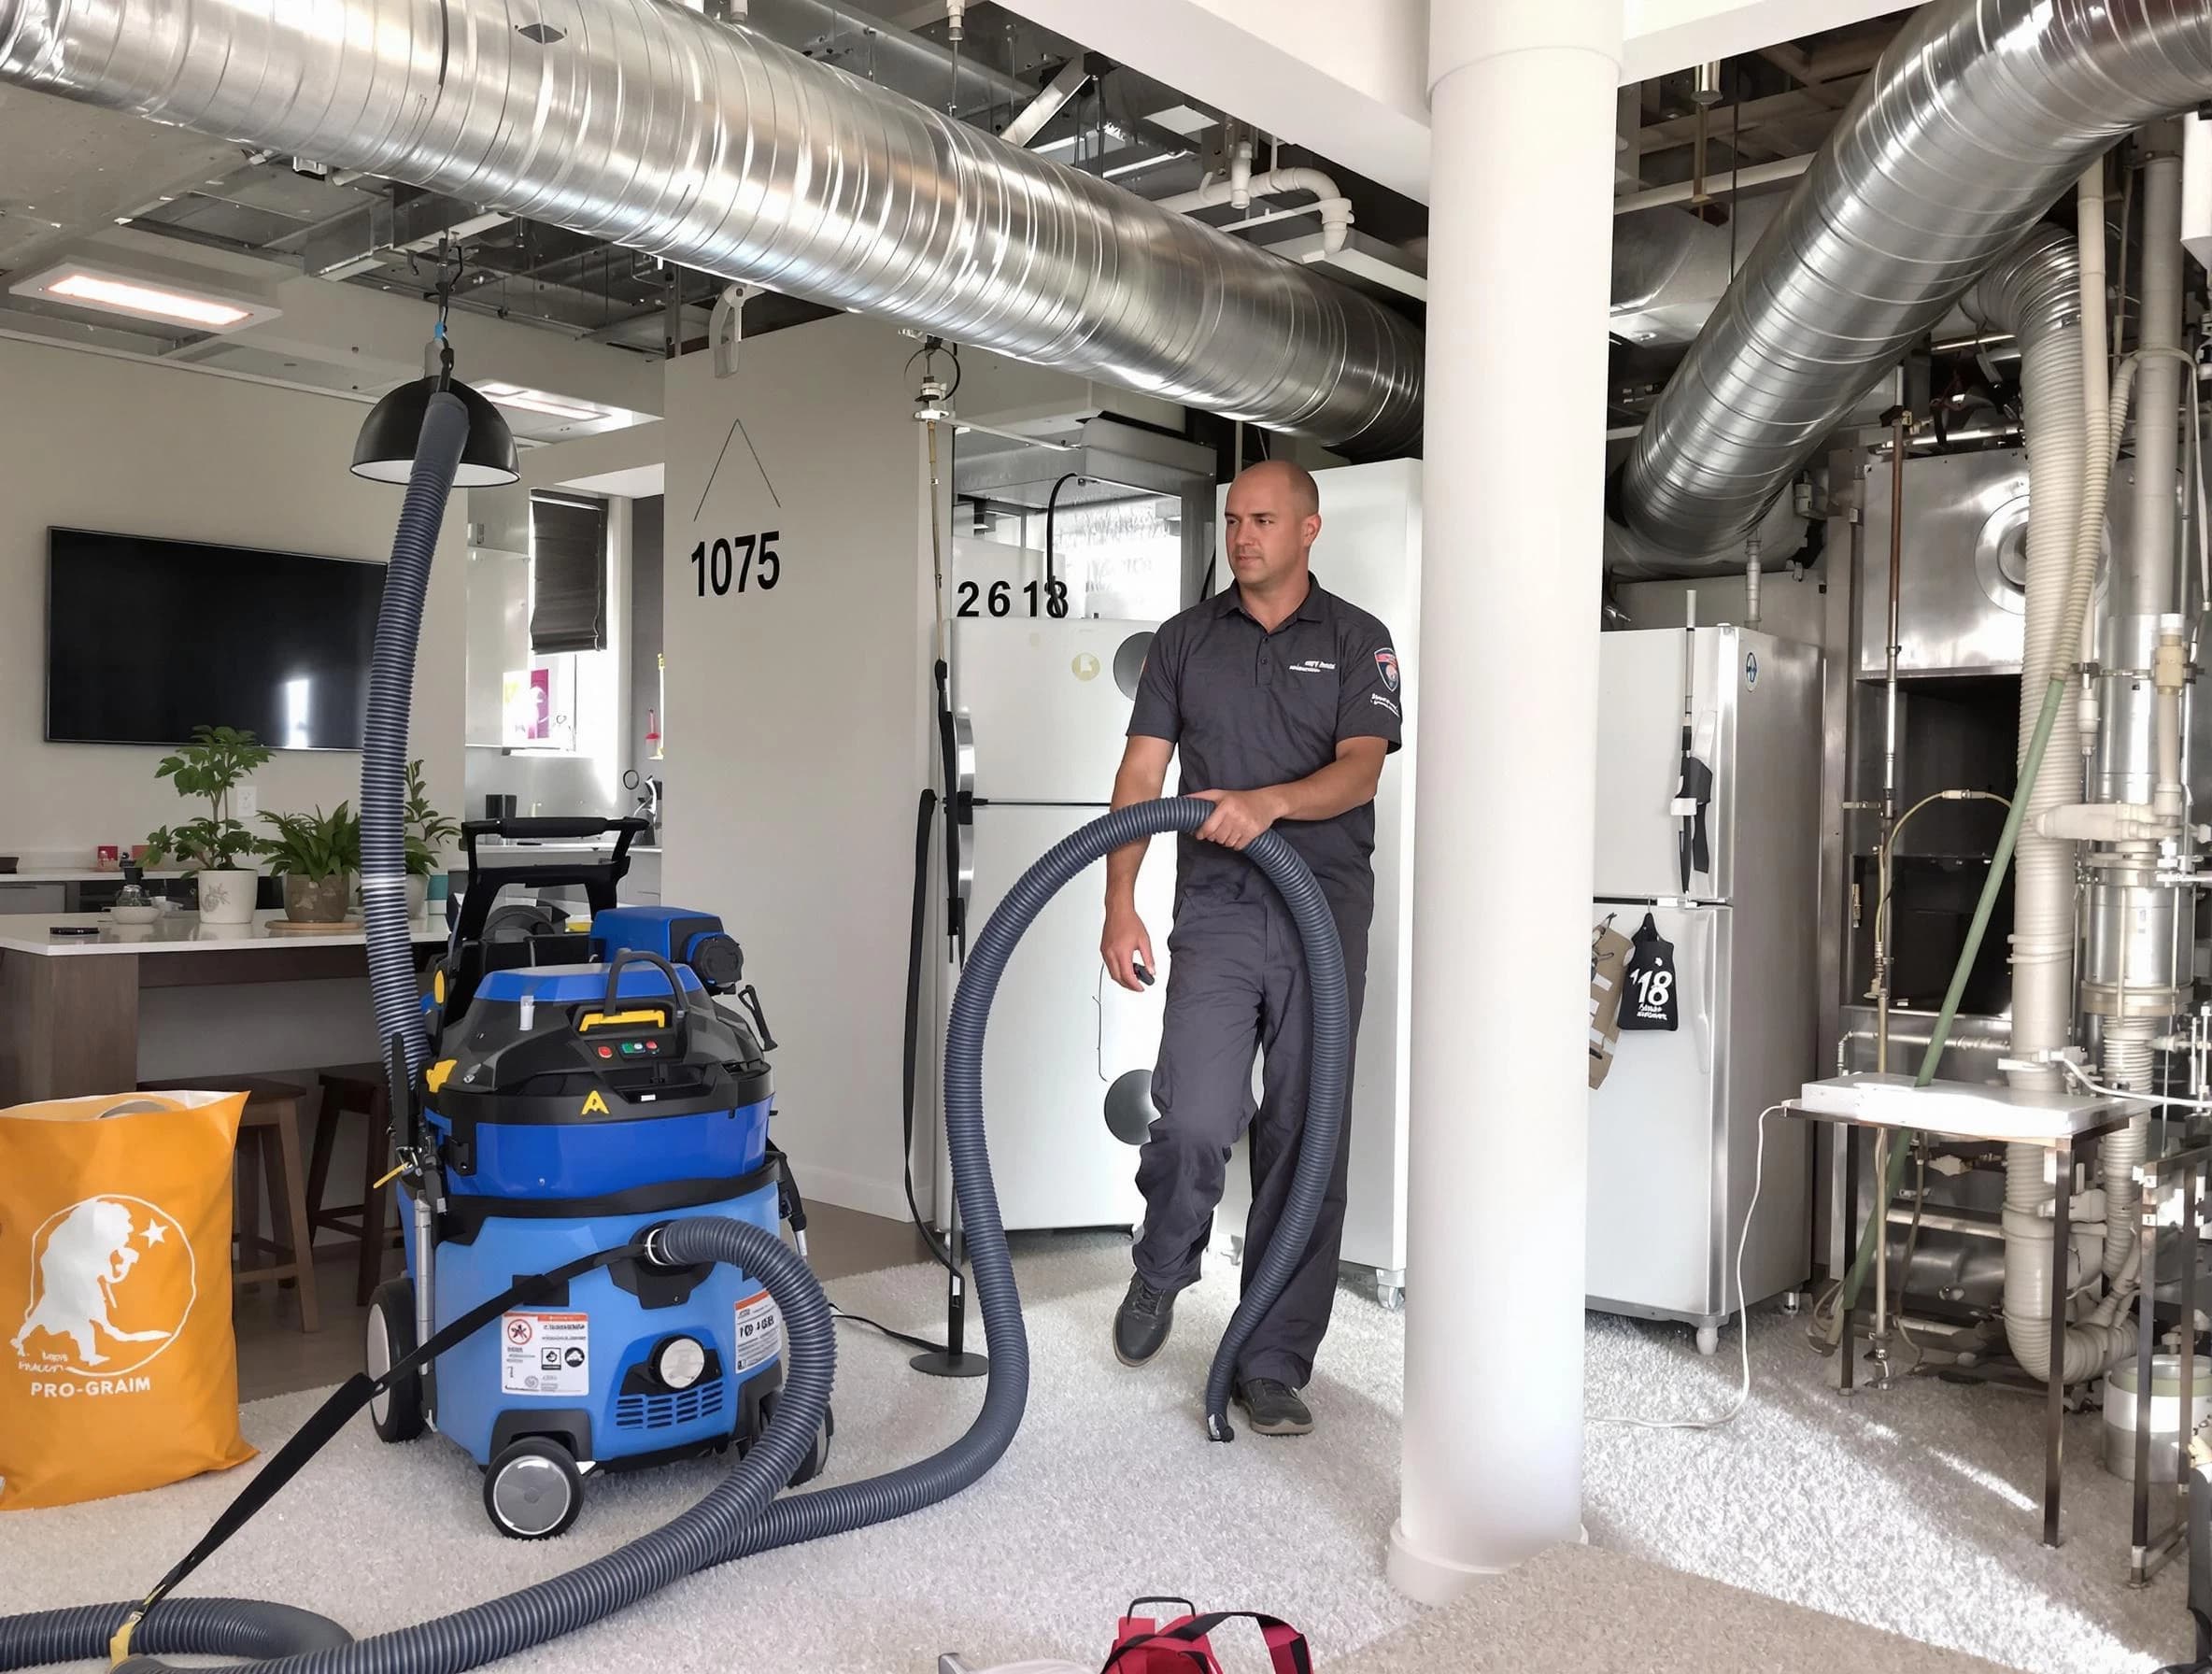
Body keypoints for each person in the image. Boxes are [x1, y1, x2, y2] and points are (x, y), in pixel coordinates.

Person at [1099, 458, 1404, 1437]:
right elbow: (1141, 772)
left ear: (1308, 530)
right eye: (1233, 520)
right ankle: (1164, 1262)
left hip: (1324, 903)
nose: (1241, 536)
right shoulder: (1187, 641)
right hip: (1222, 906)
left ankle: (1270, 1359)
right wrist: (1119, 899)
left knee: (1305, 1132)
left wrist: (1265, 802)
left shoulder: (1360, 640)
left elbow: (1359, 770)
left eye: (1263, 520)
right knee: (1195, 1111)